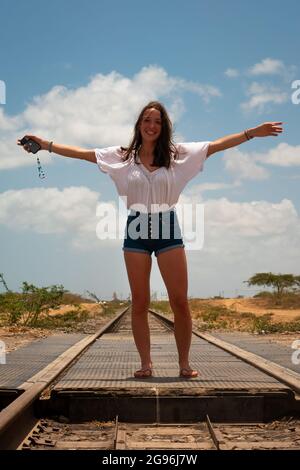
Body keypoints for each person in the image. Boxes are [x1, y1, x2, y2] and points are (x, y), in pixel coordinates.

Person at [18, 101, 283, 379]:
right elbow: (82, 154)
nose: (152, 126)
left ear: (163, 126)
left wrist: (252, 132)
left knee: (179, 301)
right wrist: (44, 144)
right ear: (139, 124)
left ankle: (184, 364)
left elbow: (216, 146)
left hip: (167, 226)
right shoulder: (122, 156)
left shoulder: (177, 155)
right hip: (136, 228)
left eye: (157, 121)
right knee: (140, 301)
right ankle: (146, 364)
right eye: (147, 120)